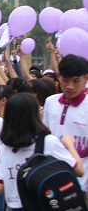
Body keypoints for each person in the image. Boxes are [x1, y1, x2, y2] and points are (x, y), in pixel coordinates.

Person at [0, 93, 84, 209]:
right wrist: (70, 145)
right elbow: (79, 170)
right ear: (34, 115)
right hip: (41, 205)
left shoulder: (4, 148)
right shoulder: (49, 142)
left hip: (13, 206)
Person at [42, 54, 88, 200]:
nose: (70, 86)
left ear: (86, 78)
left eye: (76, 81)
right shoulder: (50, 102)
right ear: (58, 76)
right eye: (65, 80)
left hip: (81, 185)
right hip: (52, 182)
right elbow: (44, 138)